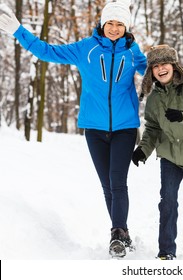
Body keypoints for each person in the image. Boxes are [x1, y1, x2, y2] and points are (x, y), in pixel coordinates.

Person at [0, 0, 147, 258]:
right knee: (106, 185)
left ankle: (118, 233)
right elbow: (48, 52)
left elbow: (157, 71)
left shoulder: (133, 52)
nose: (114, 28)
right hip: (93, 128)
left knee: (118, 182)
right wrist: (18, 31)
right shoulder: (86, 49)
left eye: (119, 24)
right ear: (103, 24)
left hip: (125, 127)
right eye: (110, 23)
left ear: (126, 26)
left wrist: (179, 73)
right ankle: (121, 233)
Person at [132, 45, 183, 260]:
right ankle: (166, 251)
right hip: (169, 158)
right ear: (151, 71)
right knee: (167, 203)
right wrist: (143, 150)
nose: (161, 69)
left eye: (164, 64)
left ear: (173, 65)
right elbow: (152, 128)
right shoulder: (153, 99)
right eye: (156, 66)